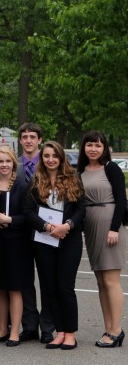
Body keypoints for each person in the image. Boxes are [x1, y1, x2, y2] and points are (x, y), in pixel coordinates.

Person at [24, 141, 85, 350]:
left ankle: (70, 333)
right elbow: (28, 211)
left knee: (65, 287)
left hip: (70, 239)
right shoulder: (36, 181)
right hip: (44, 239)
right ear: (42, 159)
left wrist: (67, 225)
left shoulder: (73, 178)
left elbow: (81, 209)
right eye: (47, 156)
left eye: (54, 156)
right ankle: (59, 332)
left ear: (61, 158)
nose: (50, 160)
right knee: (49, 288)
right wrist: (48, 227)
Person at [77, 131, 126, 348]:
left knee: (110, 280)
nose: (93, 149)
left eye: (98, 145)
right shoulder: (81, 171)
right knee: (100, 281)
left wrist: (114, 228)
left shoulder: (111, 169)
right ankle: (108, 328)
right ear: (84, 148)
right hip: (91, 228)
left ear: (104, 148)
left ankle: (116, 330)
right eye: (89, 145)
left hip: (109, 226)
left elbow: (121, 199)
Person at [0, 146, 32, 347]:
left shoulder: (23, 186)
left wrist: (10, 219)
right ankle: (2, 328)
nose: (4, 165)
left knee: (14, 287)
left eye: (7, 161)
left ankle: (15, 330)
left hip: (16, 242)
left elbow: (29, 216)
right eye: (0, 161)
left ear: (14, 163)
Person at [17, 122, 54, 344]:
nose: (29, 140)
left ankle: (48, 326)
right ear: (20, 140)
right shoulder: (14, 164)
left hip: (46, 230)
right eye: (25, 137)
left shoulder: (50, 161)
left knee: (47, 279)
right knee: (24, 280)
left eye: (32, 137)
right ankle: (29, 324)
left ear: (39, 139)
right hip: (20, 231)